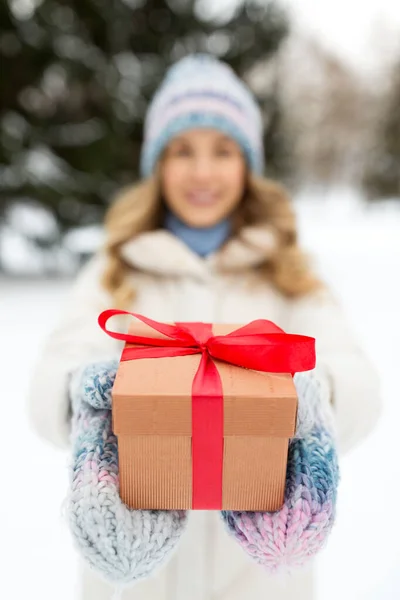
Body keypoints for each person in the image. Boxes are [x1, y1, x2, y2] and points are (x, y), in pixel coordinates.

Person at [27, 54, 381, 600]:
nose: (201, 172)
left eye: (222, 150)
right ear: (157, 165)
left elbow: (361, 384)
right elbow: (48, 384)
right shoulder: (116, 270)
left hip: (260, 580)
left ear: (247, 165)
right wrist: (86, 398)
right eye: (181, 150)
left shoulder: (288, 273)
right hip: (136, 577)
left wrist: (314, 397)